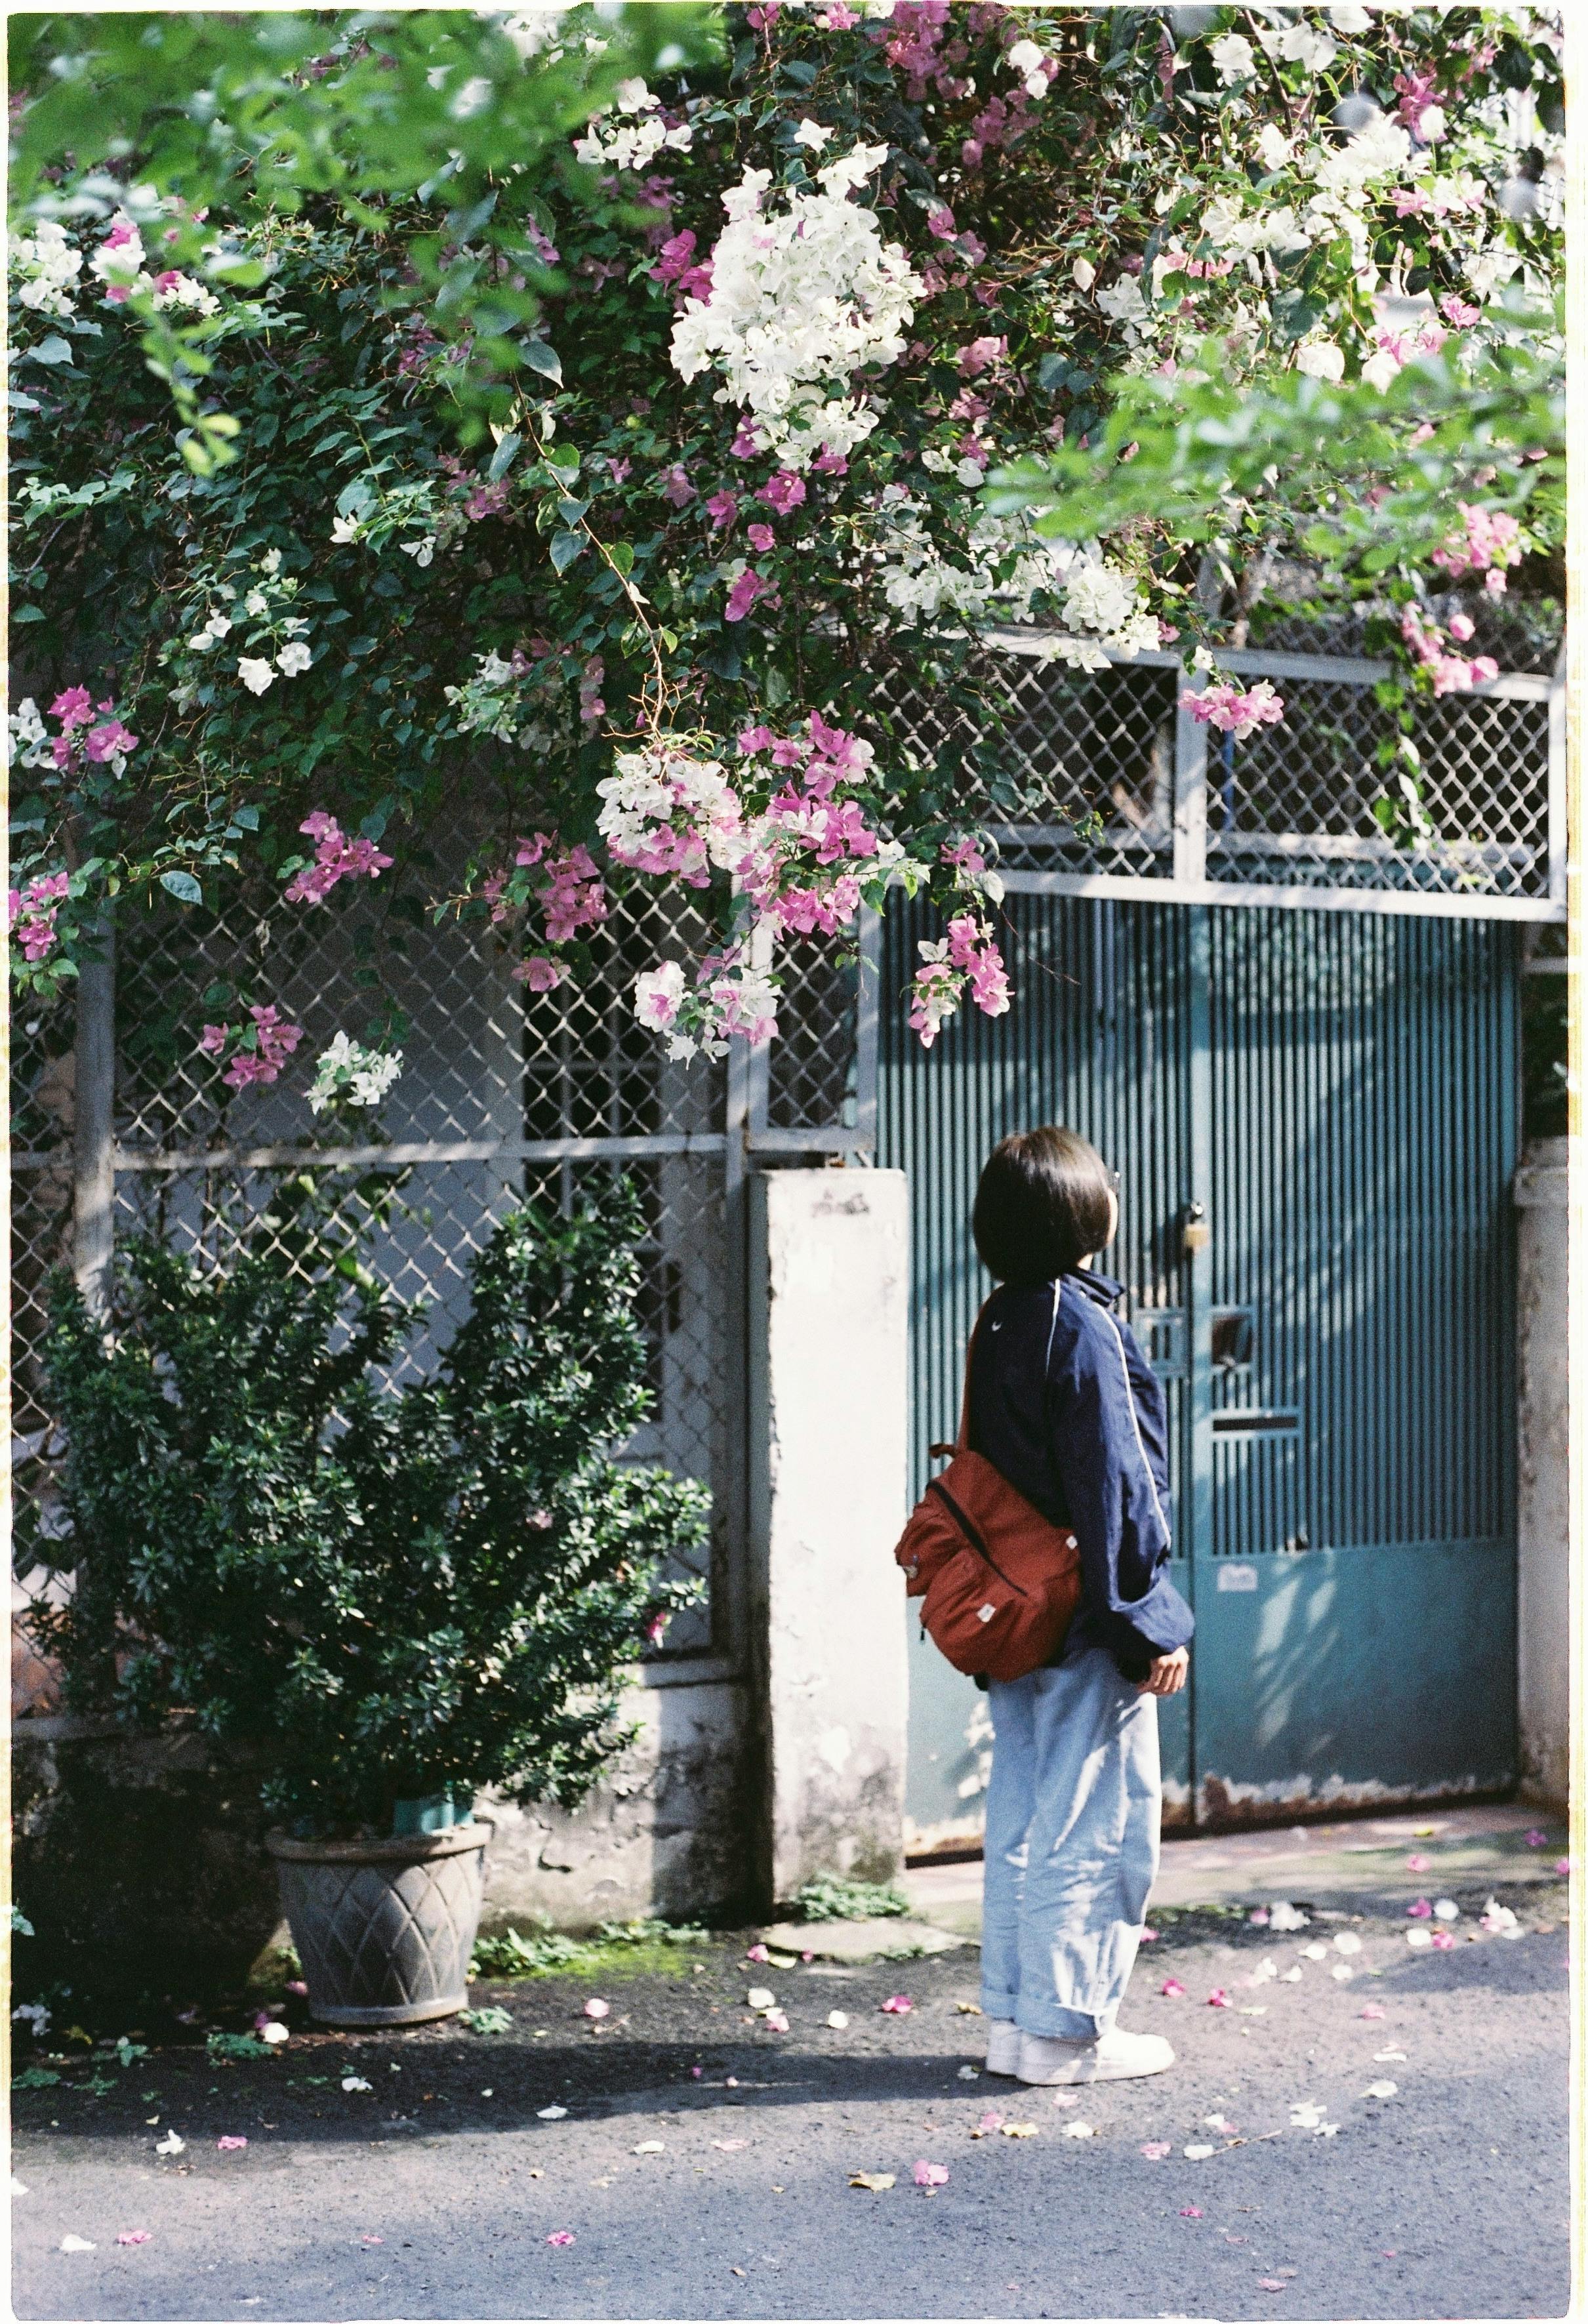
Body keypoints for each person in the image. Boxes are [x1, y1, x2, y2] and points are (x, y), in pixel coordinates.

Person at [967, 1124, 1192, 2087]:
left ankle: (1020, 2026)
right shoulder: (1082, 1323)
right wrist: (1148, 1622)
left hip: (1018, 1609)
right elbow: (1119, 1485)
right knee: (1095, 1820)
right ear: (1080, 1211)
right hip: (1082, 1614)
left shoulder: (1004, 1315)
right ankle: (1064, 2037)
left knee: (1027, 1816)